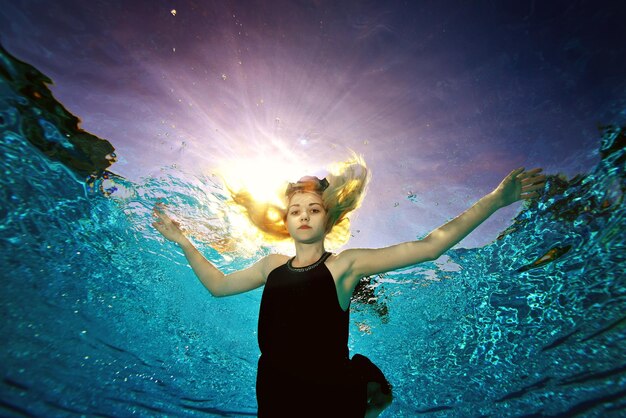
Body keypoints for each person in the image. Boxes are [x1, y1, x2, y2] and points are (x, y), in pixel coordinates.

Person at [152, 157, 545, 417]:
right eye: (296, 211)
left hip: (330, 397)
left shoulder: (345, 265)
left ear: (328, 218)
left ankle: (366, 403)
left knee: (365, 391)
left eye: (314, 209)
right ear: (285, 222)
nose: (304, 215)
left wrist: (497, 199)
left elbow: (430, 248)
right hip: (273, 394)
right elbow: (218, 286)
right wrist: (184, 242)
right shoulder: (270, 266)